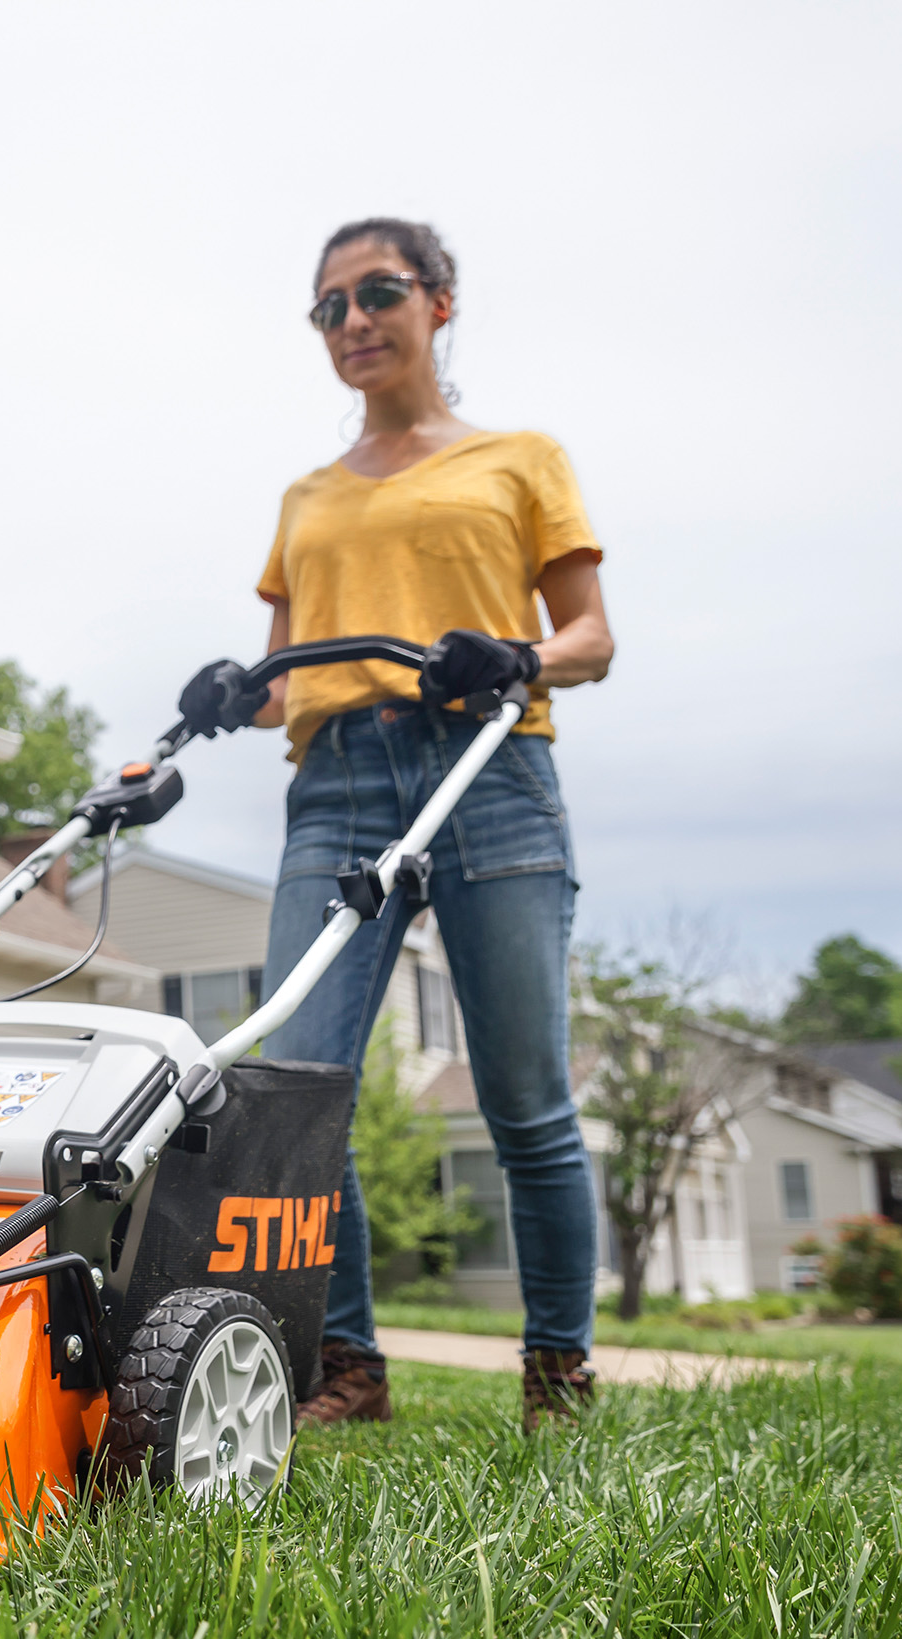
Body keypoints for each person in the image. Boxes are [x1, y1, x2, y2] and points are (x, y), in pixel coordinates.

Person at [185, 217, 617, 1431]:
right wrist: (229, 693)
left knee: (525, 1093)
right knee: (296, 1083)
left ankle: (557, 1377)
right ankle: (346, 1367)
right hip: (335, 785)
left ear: (439, 302)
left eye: (376, 293)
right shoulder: (305, 497)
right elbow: (284, 675)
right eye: (328, 307)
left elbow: (590, 639)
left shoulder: (520, 458)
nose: (353, 322)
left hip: (487, 766)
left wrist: (520, 652)